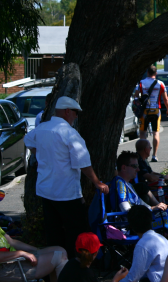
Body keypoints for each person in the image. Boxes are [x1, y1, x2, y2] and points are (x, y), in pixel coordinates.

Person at [24, 96, 109, 259]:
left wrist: (42, 155)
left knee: (53, 233)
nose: (76, 116)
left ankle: (56, 266)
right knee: (77, 232)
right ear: (67, 111)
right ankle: (76, 264)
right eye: (75, 113)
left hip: (46, 191)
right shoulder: (69, 133)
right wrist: (97, 183)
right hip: (66, 192)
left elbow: (28, 140)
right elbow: (83, 162)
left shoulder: (42, 128)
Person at [109, 151, 168, 216]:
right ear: (124, 168)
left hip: (145, 217)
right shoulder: (120, 184)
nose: (138, 169)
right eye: (135, 166)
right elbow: (127, 210)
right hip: (139, 224)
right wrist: (152, 209)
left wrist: (154, 207)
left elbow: (141, 203)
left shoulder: (127, 184)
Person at [116, 206, 168, 282]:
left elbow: (133, 277)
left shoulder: (143, 244)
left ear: (132, 227)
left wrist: (116, 281)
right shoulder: (161, 238)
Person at [138, 65, 168, 162]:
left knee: (142, 133)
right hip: (156, 110)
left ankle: (142, 156)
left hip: (144, 111)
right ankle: (154, 155)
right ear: (156, 73)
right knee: (155, 132)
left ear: (147, 72)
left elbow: (136, 97)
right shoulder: (160, 83)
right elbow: (166, 99)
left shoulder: (141, 83)